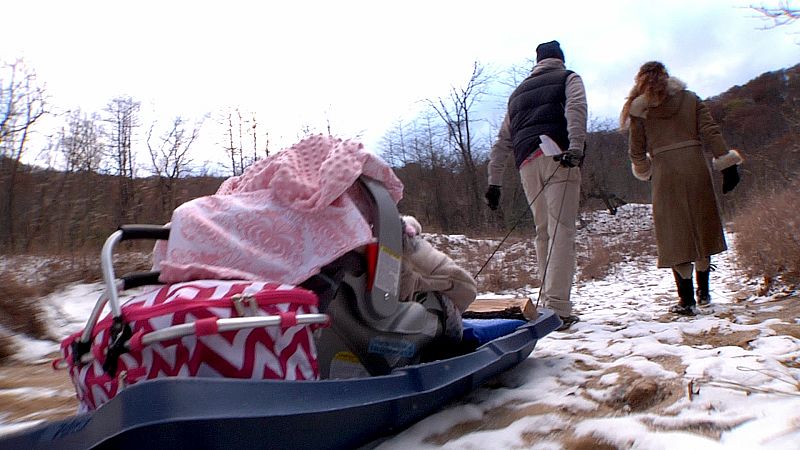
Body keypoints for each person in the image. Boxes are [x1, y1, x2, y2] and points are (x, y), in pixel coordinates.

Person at [620, 61, 743, 316]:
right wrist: (726, 164)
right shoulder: (690, 99)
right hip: (695, 166)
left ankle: (686, 300)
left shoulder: (639, 109)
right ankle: (704, 292)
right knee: (702, 226)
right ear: (667, 76)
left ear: (640, 80)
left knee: (675, 233)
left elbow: (636, 151)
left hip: (665, 172)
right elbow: (710, 131)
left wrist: (646, 170)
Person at [485, 40, 587, 331]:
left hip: (527, 163)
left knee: (543, 231)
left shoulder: (517, 94)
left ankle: (548, 302)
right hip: (560, 158)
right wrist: (576, 147)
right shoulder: (569, 78)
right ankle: (557, 308)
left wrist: (494, 182)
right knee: (561, 231)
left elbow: (502, 141)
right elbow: (577, 110)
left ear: (538, 62)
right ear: (560, 59)